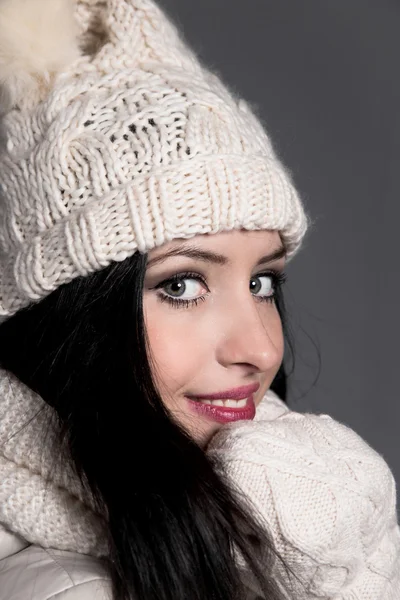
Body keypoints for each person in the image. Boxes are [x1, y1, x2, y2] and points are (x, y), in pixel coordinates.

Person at [0, 1, 398, 599]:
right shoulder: (69, 589)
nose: (260, 349)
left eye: (262, 282)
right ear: (69, 316)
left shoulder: (298, 501)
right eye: (182, 285)